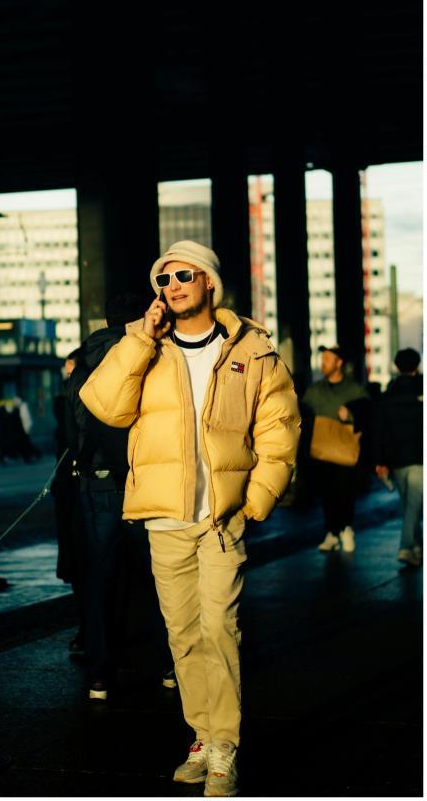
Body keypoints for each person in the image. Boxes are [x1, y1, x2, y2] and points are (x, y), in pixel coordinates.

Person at [79, 240, 300, 796]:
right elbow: (104, 404)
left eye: (183, 276)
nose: (172, 286)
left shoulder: (252, 350)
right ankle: (201, 735)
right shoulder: (147, 348)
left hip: (222, 518)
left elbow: (279, 427)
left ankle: (224, 744)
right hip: (164, 517)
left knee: (218, 629)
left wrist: (256, 498)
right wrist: (140, 337)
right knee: (182, 636)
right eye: (164, 279)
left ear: (208, 282)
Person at [68, 294, 175, 700]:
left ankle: (99, 675)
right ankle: (169, 665)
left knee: (99, 581)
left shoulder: (83, 361)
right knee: (160, 579)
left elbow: (74, 423)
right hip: (141, 480)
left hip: (96, 485)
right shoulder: (151, 354)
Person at [302, 345, 370, 553]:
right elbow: (301, 412)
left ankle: (346, 528)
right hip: (321, 452)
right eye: (322, 359)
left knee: (345, 492)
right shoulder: (315, 390)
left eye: (327, 360)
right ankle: (332, 532)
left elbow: (369, 414)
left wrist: (350, 416)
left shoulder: (354, 390)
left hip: (345, 452)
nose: (323, 364)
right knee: (326, 493)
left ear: (339, 363)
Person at [373, 348, 423, 567]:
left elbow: (381, 430)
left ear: (396, 366)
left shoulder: (388, 393)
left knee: (409, 505)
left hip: (397, 459)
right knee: (414, 506)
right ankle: (406, 546)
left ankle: (417, 548)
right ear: (417, 365)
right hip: (419, 457)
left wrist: (381, 461)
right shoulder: (421, 390)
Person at [51, 348, 84, 654]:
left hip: (74, 485)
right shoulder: (66, 401)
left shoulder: (68, 400)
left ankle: (88, 628)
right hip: (70, 485)